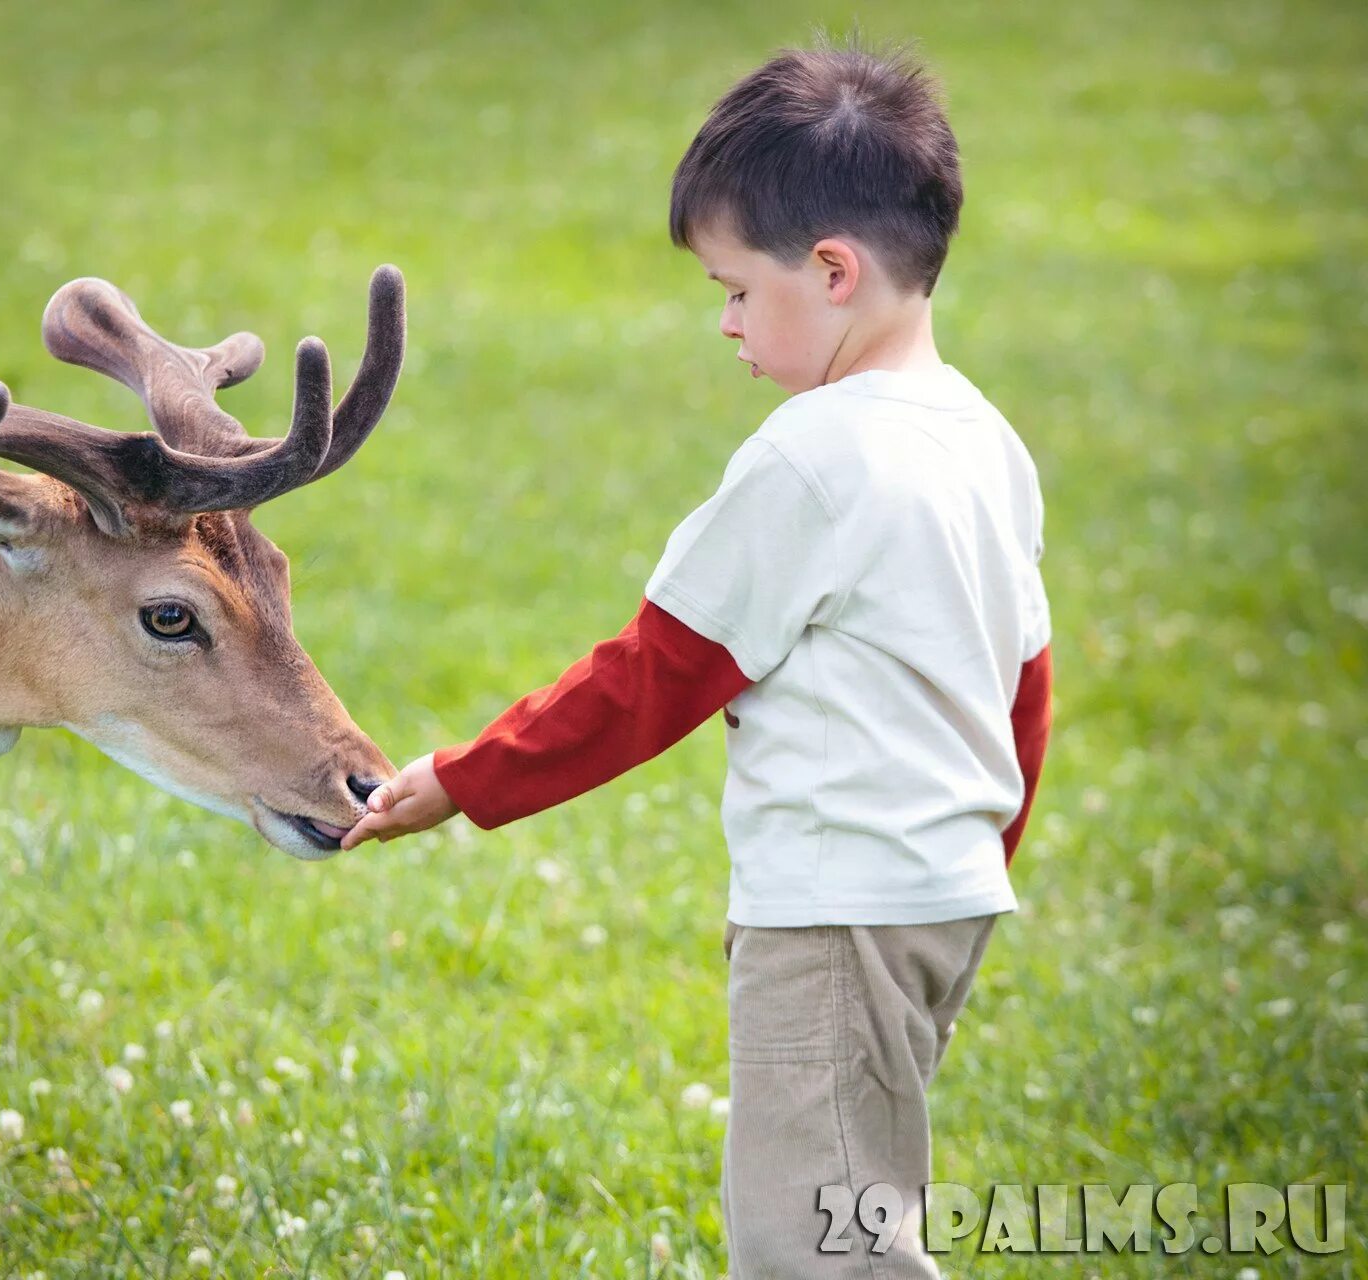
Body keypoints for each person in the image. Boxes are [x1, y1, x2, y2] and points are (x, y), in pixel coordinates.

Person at [339, 34, 1055, 1277]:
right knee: (855, 1208)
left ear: (833, 271)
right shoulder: (985, 438)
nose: (725, 322)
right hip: (941, 898)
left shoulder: (811, 455)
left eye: (733, 286)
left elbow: (651, 675)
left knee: (815, 1248)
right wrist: (978, 852)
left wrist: (463, 778)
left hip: (838, 910)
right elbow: (1023, 688)